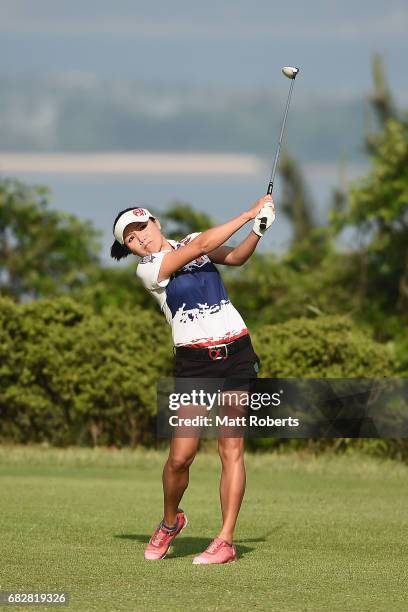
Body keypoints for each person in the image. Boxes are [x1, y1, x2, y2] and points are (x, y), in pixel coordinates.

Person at [110, 195, 275, 564]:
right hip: (195, 364)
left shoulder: (194, 242)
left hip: (236, 355)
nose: (142, 239)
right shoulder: (150, 269)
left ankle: (226, 541)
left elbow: (235, 257)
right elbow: (202, 245)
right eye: (132, 239)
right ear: (131, 249)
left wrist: (258, 230)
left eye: (143, 229)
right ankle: (171, 522)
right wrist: (248, 211)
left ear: (156, 223)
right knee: (180, 457)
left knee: (230, 449)